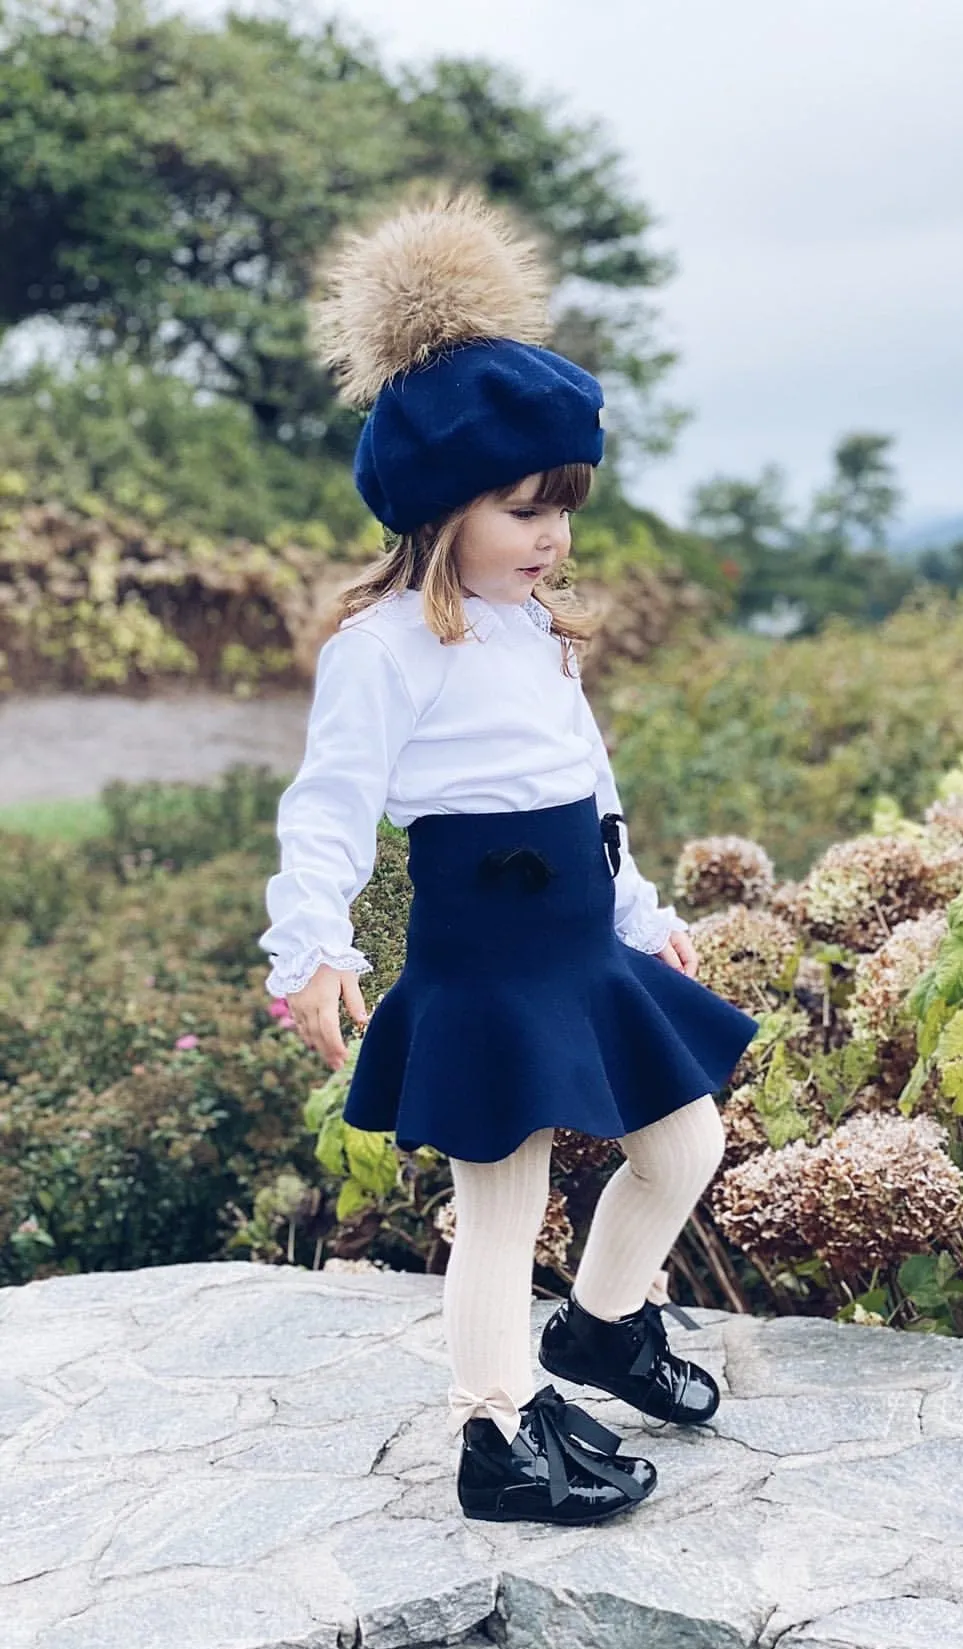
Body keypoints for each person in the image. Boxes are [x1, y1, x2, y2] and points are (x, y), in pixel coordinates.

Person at [258, 192, 760, 1527]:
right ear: (440, 503)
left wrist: (641, 912)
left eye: (565, 511)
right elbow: (331, 806)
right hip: (482, 959)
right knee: (503, 1199)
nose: (552, 537)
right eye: (524, 509)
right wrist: (312, 947)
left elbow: (587, 784)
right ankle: (494, 1430)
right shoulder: (383, 650)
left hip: (581, 943)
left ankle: (600, 1328)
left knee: (685, 1142)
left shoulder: (535, 630)